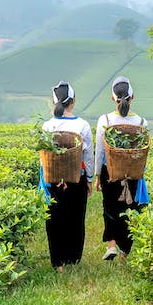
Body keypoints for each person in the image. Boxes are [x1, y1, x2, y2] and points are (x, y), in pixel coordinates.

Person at [40, 80, 94, 271]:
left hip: (53, 179)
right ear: (73, 102)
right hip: (75, 178)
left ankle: (58, 262)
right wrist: (89, 179)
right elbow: (88, 155)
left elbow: (43, 157)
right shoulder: (82, 125)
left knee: (55, 219)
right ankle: (72, 258)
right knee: (75, 218)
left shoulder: (47, 126)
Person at [94, 76, 149, 261]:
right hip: (132, 173)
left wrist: (96, 176)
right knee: (129, 209)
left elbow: (100, 150)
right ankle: (125, 252)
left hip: (110, 171)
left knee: (110, 207)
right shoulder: (142, 122)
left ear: (112, 98)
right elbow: (143, 153)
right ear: (132, 97)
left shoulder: (105, 119)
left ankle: (111, 245)